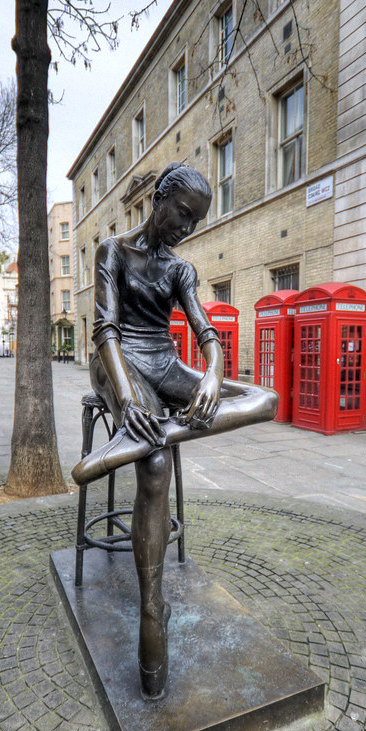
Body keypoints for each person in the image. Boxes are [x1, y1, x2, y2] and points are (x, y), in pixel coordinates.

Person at [72, 163, 278, 699]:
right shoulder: (113, 252)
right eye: (183, 214)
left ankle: (150, 435)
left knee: (265, 399)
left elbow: (205, 330)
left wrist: (212, 375)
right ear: (159, 199)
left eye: (195, 222)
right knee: (156, 464)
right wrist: (124, 395)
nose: (186, 228)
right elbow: (105, 331)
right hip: (117, 362)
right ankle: (151, 606)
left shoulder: (181, 269)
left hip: (164, 362)